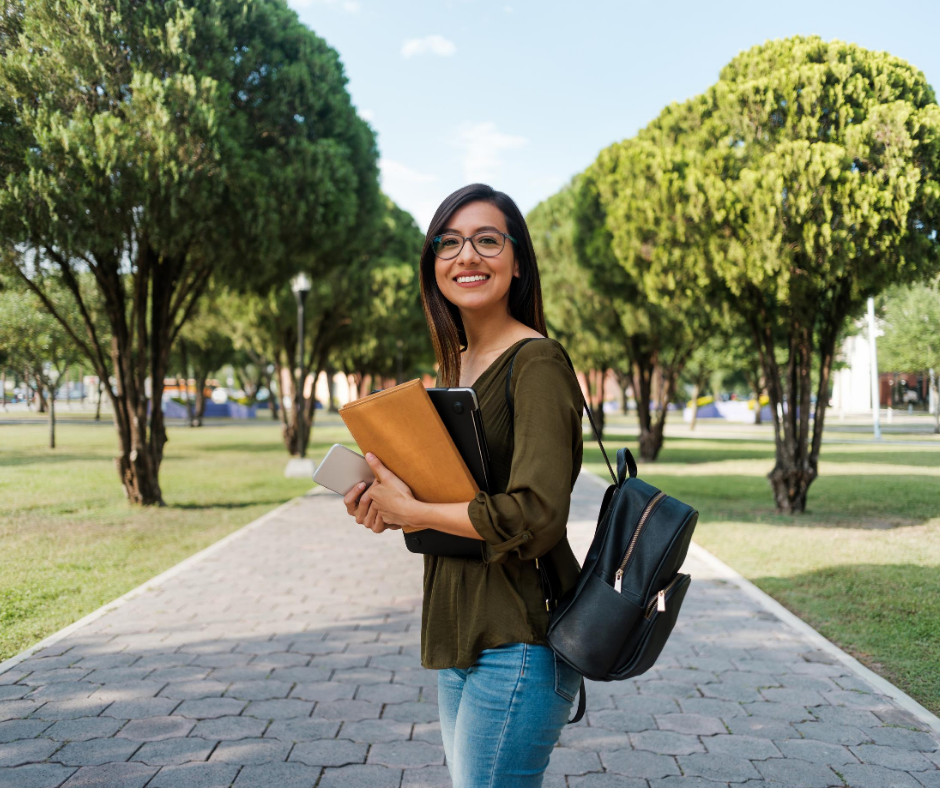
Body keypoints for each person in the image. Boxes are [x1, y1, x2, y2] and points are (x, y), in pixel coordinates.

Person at [342, 183, 584, 787]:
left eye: (486, 240)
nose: (465, 255)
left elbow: (537, 514)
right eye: (447, 243)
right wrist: (391, 506)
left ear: (518, 259)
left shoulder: (537, 362)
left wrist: (415, 507)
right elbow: (450, 500)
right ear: (433, 265)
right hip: (461, 636)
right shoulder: (457, 367)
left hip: (520, 640)